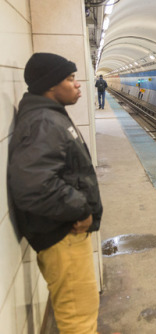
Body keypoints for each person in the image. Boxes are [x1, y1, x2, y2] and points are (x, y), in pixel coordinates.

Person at [7, 53, 103, 333]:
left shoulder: (47, 116)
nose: (78, 85)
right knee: (78, 319)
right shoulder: (44, 122)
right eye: (70, 79)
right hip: (64, 235)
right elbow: (34, 186)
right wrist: (82, 209)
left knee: (79, 312)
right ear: (51, 85)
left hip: (64, 233)